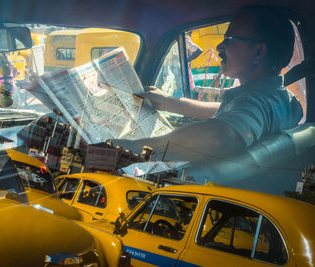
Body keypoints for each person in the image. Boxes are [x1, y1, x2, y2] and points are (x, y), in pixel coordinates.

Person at [111, 6, 303, 162]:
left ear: (258, 53)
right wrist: (170, 102)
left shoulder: (255, 103)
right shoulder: (282, 100)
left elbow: (221, 137)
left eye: (230, 40)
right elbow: (228, 112)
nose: (220, 47)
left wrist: (130, 148)